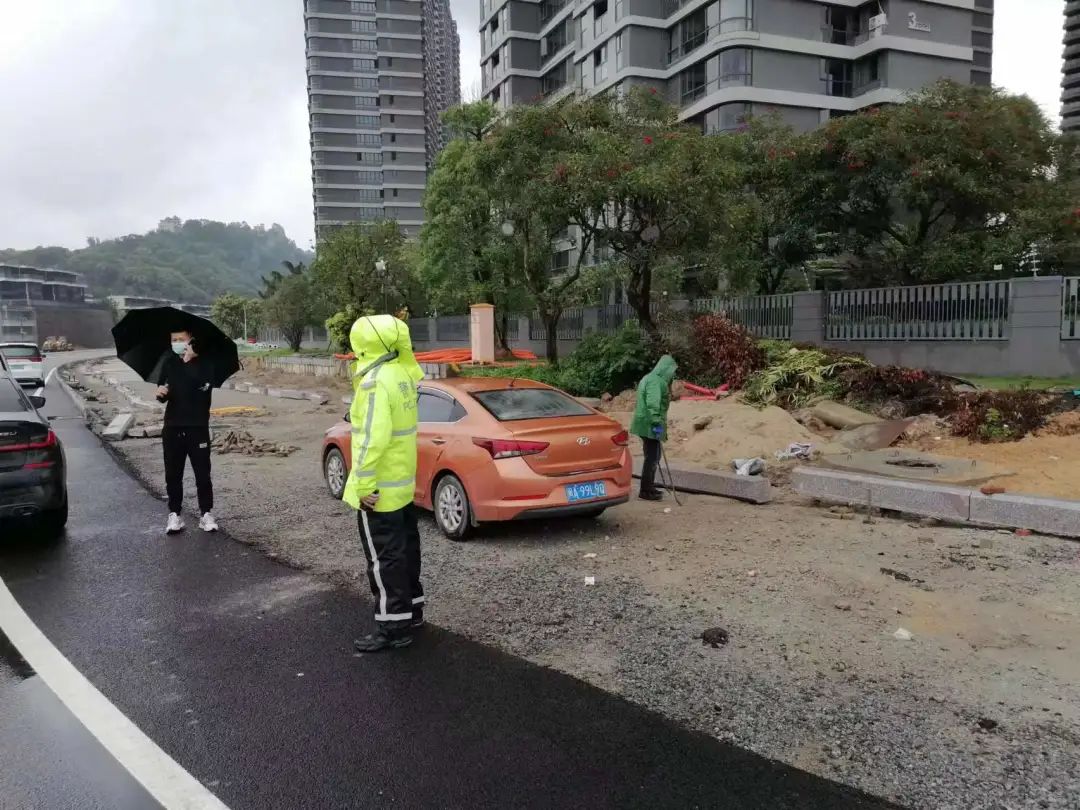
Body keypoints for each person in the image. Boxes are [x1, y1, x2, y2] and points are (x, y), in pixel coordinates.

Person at [341, 314, 424, 653]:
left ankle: (392, 627)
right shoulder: (402, 373)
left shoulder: (374, 381)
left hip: (379, 491)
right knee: (406, 550)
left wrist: (362, 486)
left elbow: (373, 440)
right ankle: (412, 609)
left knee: (383, 559)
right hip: (401, 484)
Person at [155, 332, 218, 534]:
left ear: (191, 340)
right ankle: (174, 514)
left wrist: (189, 361)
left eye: (181, 339)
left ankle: (206, 514)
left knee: (202, 474)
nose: (178, 343)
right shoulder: (170, 364)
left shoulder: (206, 366)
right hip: (172, 427)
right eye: (173, 339)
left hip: (197, 427)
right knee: (173, 474)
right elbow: (164, 390)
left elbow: (201, 388)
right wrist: (160, 393)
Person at [630, 354, 677, 501]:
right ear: (666, 369)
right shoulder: (656, 382)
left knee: (652, 456)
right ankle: (646, 490)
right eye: (672, 371)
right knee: (652, 457)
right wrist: (657, 423)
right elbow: (652, 404)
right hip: (649, 424)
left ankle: (648, 487)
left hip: (645, 423)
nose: (673, 375)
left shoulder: (649, 378)